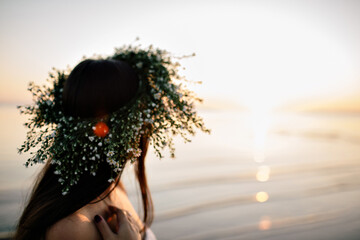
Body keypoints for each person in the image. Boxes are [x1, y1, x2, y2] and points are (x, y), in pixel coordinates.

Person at [14, 45, 209, 240]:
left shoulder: (111, 186)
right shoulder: (71, 228)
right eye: (143, 116)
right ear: (127, 125)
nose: (147, 126)